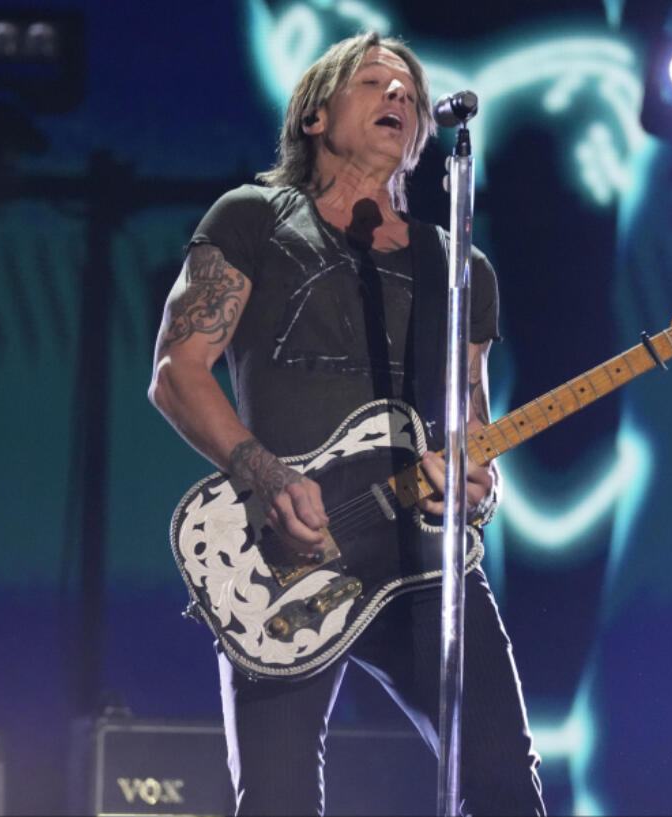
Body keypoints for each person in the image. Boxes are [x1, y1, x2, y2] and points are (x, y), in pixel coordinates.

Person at [148, 31, 545, 816]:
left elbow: (472, 426)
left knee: (503, 783)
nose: (398, 95)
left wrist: (476, 483)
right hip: (285, 556)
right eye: (373, 82)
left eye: (409, 91)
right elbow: (176, 370)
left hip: (424, 562)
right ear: (315, 118)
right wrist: (266, 477)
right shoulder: (254, 218)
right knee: (279, 801)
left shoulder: (458, 264)